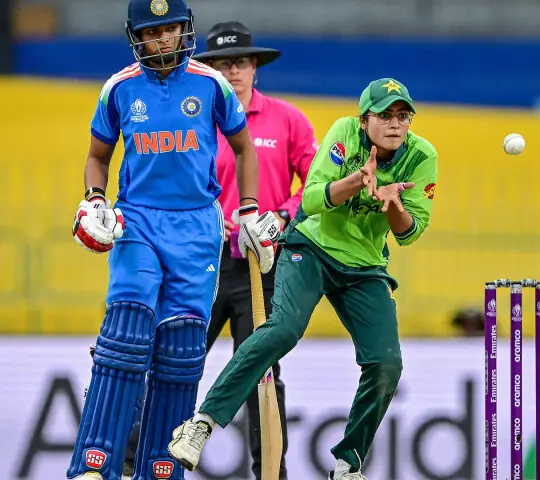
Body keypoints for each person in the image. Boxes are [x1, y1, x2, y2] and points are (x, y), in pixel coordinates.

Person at [168, 77, 438, 480]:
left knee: (386, 364)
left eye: (403, 116)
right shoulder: (345, 133)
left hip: (364, 267)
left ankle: (348, 463)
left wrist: (392, 203)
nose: (395, 124)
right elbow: (310, 200)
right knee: (283, 331)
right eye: (384, 115)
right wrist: (355, 183)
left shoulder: (421, 155)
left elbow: (410, 231)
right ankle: (201, 424)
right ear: (365, 121)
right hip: (309, 248)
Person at [66, 0, 281, 478]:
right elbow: (97, 156)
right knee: (127, 327)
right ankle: (94, 462)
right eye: (151, 32)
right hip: (138, 221)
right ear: (135, 37)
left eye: (171, 29)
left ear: (185, 29)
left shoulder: (211, 84)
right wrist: (94, 199)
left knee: (182, 353)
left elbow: (244, 148)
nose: (162, 39)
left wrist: (248, 210)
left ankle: (161, 468)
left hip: (198, 229)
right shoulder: (120, 88)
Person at [122, 21, 315, 479]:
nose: (234, 71)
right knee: (173, 359)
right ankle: (134, 460)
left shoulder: (288, 120)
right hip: (201, 263)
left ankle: (270, 472)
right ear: (209, 68)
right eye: (224, 63)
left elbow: (316, 187)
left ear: (255, 68)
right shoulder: (196, 116)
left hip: (260, 269)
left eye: (242, 62)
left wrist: (280, 216)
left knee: (259, 373)